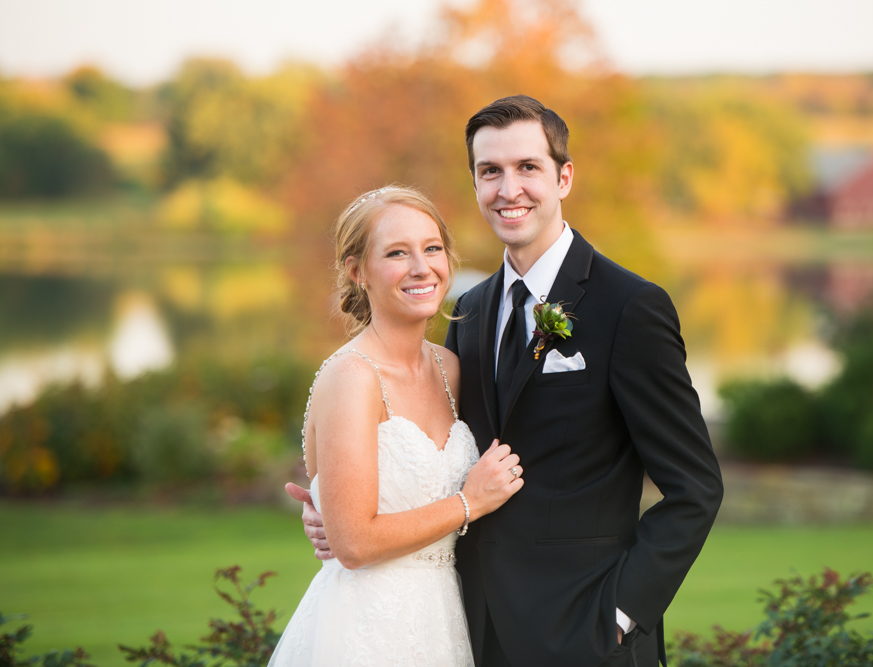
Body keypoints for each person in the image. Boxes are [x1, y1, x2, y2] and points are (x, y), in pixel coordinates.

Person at [289, 96, 724, 667]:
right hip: (471, 629)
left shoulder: (629, 308)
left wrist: (621, 613)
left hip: (588, 633)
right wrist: (336, 510)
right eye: (489, 171)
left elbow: (695, 488)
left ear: (564, 177)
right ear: (474, 184)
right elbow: (433, 450)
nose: (507, 188)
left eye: (528, 168)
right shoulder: (468, 315)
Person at [269, 186, 524, 667]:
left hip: (444, 618)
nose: (421, 267)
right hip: (368, 628)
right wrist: (471, 501)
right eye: (396, 253)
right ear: (356, 270)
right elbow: (355, 544)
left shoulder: (450, 367)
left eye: (432, 248)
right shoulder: (352, 378)